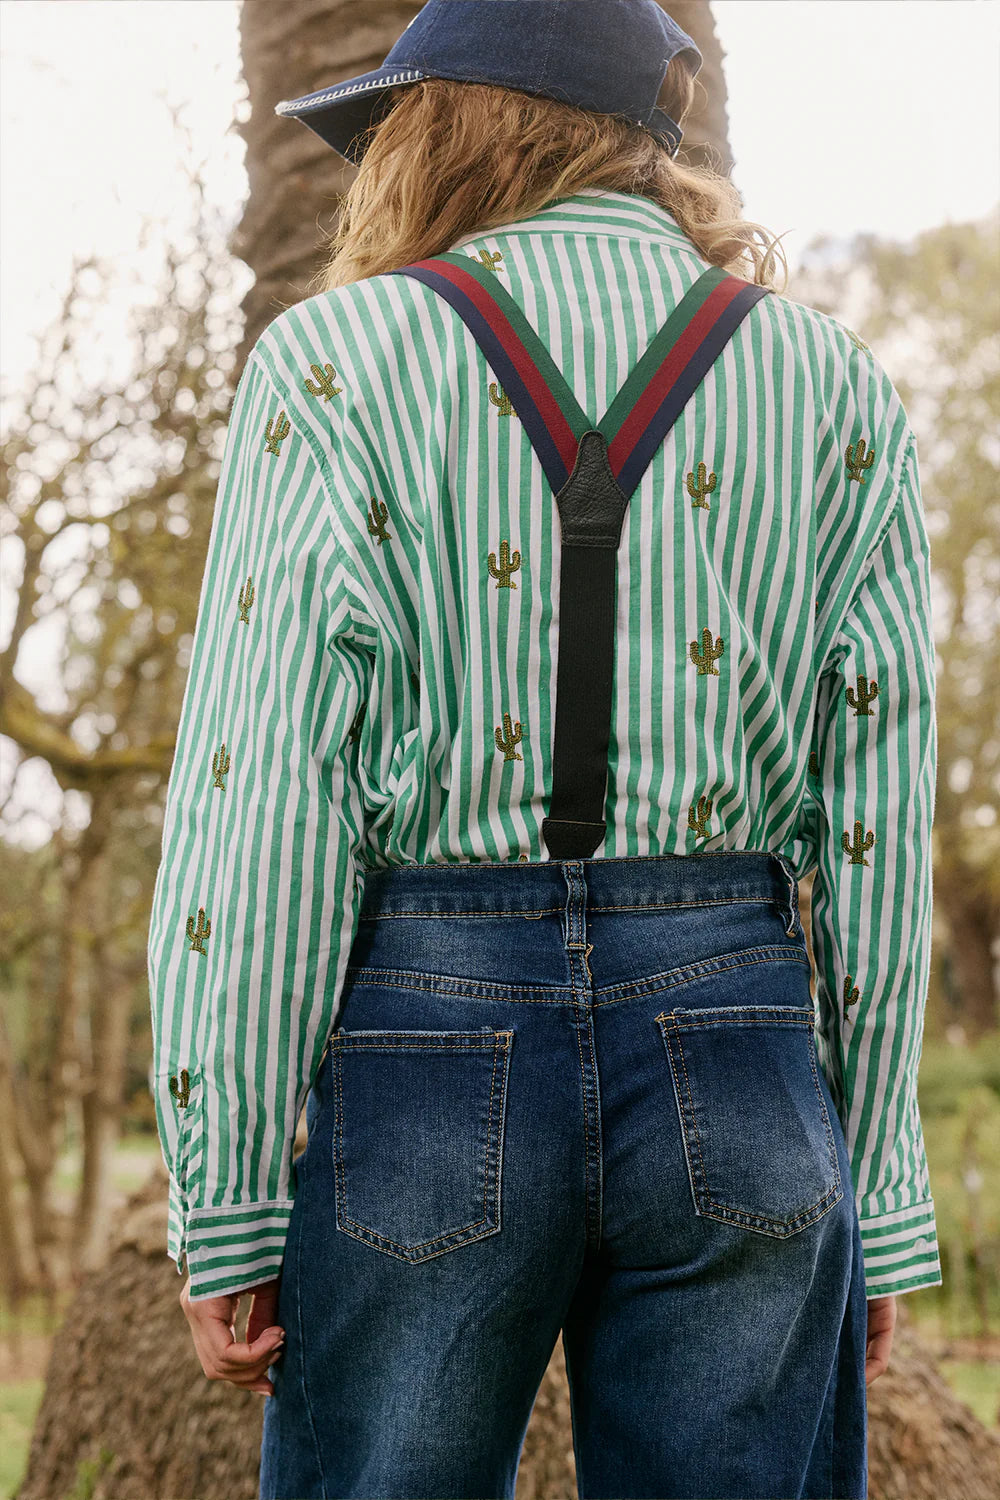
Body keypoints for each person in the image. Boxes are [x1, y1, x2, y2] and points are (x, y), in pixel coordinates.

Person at [146, 2, 941, 1496]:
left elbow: (264, 811)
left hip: (428, 1049)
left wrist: (232, 1194)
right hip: (741, 1043)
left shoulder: (332, 367)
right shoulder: (830, 384)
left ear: (458, 122)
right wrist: (879, 1187)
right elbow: (878, 816)